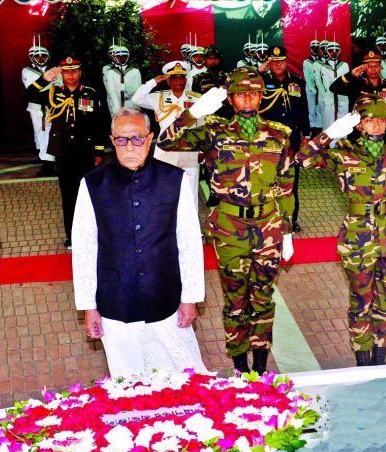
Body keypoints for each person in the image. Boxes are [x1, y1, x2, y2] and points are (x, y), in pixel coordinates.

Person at [157, 68, 295, 375]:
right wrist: (192, 114)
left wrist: (286, 231)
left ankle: (260, 363)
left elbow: (286, 184)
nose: (248, 99)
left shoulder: (278, 134)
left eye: (254, 93)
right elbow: (165, 142)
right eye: (241, 93)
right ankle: (238, 364)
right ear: (230, 99)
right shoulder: (214, 131)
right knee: (235, 300)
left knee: (263, 297)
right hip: (229, 228)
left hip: (268, 227)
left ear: (262, 96)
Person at [73, 107, 205, 377]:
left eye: (137, 138)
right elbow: (85, 248)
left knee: (181, 377)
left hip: (165, 295)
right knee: (128, 384)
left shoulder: (175, 179)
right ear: (112, 141)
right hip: (115, 300)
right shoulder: (93, 184)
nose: (129, 145)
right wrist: (89, 306)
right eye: (121, 139)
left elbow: (189, 241)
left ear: (150, 138)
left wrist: (190, 298)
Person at [297, 96, 386, 365]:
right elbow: (302, 159)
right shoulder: (342, 155)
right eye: (370, 121)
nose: (377, 126)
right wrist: (329, 134)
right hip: (357, 237)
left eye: (381, 120)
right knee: (361, 300)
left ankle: (379, 357)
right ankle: (362, 358)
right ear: (359, 126)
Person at [25, 57, 107, 249]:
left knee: (88, 194)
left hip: (86, 151)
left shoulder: (91, 93)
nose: (71, 75)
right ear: (61, 74)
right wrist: (44, 79)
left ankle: (90, 233)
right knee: (68, 196)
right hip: (63, 152)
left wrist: (99, 150)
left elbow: (99, 123)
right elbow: (28, 95)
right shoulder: (52, 93)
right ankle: (72, 236)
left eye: (74, 71)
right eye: (67, 71)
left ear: (80, 72)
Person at [132, 61, 201, 208]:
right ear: (168, 80)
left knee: (190, 191)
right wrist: (154, 81)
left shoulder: (195, 98)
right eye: (174, 77)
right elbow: (136, 98)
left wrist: (202, 150)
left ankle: (191, 228)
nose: (178, 81)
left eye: (181, 78)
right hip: (165, 150)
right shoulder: (158, 97)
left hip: (188, 150)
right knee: (163, 188)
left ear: (186, 79)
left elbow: (202, 125)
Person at [259, 46, 309, 232]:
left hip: (292, 140)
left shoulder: (296, 82)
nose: (278, 65)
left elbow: (304, 109)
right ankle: (268, 220)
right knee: (267, 181)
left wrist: (307, 134)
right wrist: (258, 72)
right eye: (274, 61)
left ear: (286, 62)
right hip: (268, 139)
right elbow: (241, 86)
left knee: (291, 183)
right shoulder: (261, 81)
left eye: (281, 61)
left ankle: (291, 220)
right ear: (269, 63)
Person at [330, 50, 386, 145]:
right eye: (369, 66)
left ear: (381, 68)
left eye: (376, 66)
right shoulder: (356, 84)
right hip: (359, 133)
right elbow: (334, 88)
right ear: (364, 68)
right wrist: (350, 75)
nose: (373, 69)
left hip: (381, 132)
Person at [21, 43, 58, 177]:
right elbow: (31, 90)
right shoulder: (27, 71)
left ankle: (48, 162)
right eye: (37, 56)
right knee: (40, 131)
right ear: (32, 58)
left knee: (50, 132)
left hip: (52, 106)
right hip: (36, 107)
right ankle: (44, 158)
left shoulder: (54, 70)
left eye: (43, 56)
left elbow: (57, 86)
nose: (41, 58)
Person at [102, 45, 143, 117]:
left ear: (128, 57)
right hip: (116, 106)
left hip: (132, 105)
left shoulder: (135, 71)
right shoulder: (110, 72)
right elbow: (112, 92)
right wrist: (117, 110)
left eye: (124, 56)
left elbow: (137, 91)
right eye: (118, 56)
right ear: (115, 58)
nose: (121, 58)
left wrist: (134, 106)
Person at [317, 41, 351, 129]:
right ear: (327, 51)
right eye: (331, 50)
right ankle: (331, 142)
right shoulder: (323, 66)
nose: (334, 53)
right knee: (329, 121)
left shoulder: (344, 65)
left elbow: (347, 82)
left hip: (343, 97)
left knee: (343, 120)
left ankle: (342, 140)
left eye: (336, 50)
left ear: (339, 51)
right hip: (330, 97)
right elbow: (326, 84)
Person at [303, 39, 324, 136]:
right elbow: (306, 76)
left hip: (321, 88)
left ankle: (320, 129)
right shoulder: (306, 62)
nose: (315, 49)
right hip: (311, 89)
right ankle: (313, 129)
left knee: (320, 108)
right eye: (313, 47)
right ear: (310, 49)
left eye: (317, 48)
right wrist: (313, 89)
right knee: (311, 109)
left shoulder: (322, 61)